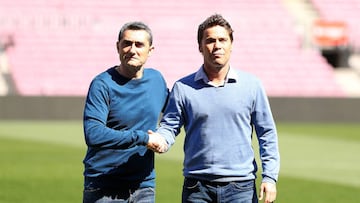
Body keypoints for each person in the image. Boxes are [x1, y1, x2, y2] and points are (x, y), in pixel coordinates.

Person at [149, 14, 280, 203]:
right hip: (197, 187)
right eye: (210, 40)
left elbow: (266, 133)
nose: (217, 45)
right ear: (200, 47)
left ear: (231, 45)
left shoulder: (252, 85)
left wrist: (270, 176)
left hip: (240, 187)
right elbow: (170, 126)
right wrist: (160, 139)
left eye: (222, 40)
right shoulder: (183, 87)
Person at [82, 21, 168, 203]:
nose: (132, 49)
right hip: (103, 186)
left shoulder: (157, 80)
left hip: (143, 186)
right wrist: (144, 138)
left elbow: (177, 113)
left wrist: (166, 138)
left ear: (150, 50)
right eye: (127, 43)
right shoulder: (102, 84)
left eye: (139, 44)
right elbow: (94, 134)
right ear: (118, 47)